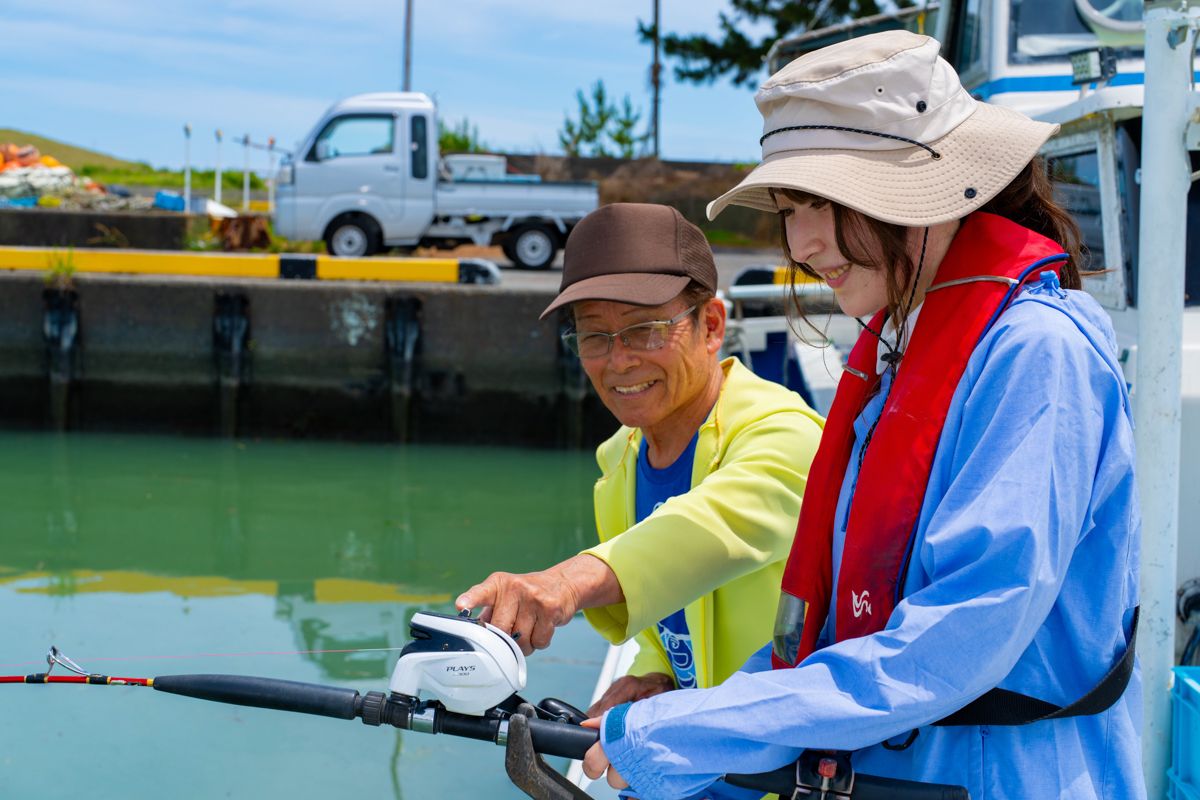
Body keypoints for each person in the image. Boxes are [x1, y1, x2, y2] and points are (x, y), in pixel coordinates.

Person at [581, 31, 1143, 800]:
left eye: (827, 202)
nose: (804, 243)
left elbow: (959, 635)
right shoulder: (894, 354)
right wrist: (693, 712)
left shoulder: (1037, 351)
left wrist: (700, 729)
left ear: (930, 188)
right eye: (790, 208)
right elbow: (835, 626)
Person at [456, 202, 824, 715]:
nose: (619, 360)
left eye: (646, 329)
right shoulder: (621, 462)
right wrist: (655, 675)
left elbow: (703, 531)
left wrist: (563, 583)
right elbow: (672, 615)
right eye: (593, 336)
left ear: (711, 326)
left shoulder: (786, 434)